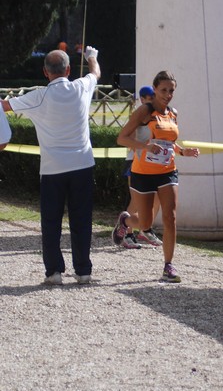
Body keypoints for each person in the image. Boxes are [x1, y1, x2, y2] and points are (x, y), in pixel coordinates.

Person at [0, 47, 101, 285]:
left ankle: (54, 272)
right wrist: (91, 56)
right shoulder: (81, 87)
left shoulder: (38, 96)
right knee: (81, 220)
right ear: (68, 70)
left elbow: (5, 106)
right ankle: (83, 270)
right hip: (82, 164)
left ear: (45, 72)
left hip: (52, 169)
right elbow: (96, 73)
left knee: (51, 222)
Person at [112, 70, 200, 283]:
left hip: (167, 172)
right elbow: (121, 138)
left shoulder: (173, 113)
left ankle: (168, 265)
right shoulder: (145, 111)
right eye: (163, 90)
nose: (168, 95)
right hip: (142, 173)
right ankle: (125, 221)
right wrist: (145, 147)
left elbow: (169, 143)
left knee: (170, 218)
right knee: (145, 223)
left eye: (171, 91)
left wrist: (182, 152)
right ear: (154, 90)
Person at [120, 85, 162, 249]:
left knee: (157, 199)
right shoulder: (137, 116)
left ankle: (145, 229)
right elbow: (127, 140)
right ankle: (126, 233)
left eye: (154, 98)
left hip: (152, 162)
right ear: (142, 99)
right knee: (137, 201)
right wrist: (146, 146)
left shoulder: (157, 115)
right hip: (135, 162)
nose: (152, 101)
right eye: (149, 98)